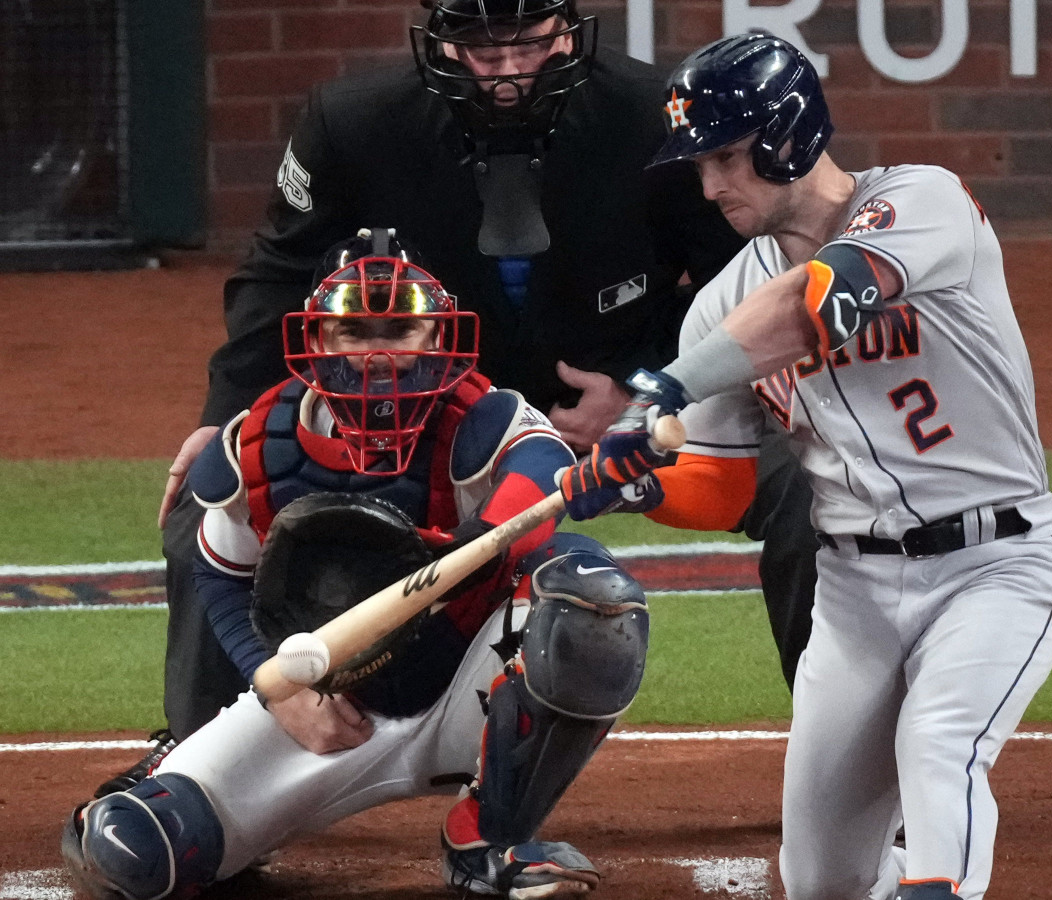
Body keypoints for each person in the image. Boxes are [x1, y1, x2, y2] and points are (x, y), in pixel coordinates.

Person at [88, 0, 754, 798]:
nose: (506, 66)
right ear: (437, 39)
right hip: (430, 414)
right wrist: (216, 421)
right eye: (479, 43)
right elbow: (276, 277)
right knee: (208, 503)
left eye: (529, 41)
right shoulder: (352, 122)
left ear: (571, 31)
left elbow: (739, 280)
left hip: (612, 406)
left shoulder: (653, 117)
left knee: (802, 486)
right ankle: (198, 754)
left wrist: (644, 382)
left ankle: (856, 770)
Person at [559, 33, 1052, 900]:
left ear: (788, 135)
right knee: (823, 880)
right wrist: (639, 487)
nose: (710, 185)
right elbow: (721, 487)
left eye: (726, 157)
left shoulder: (923, 202)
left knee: (941, 746)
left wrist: (661, 392)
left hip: (996, 568)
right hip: (852, 596)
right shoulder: (720, 306)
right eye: (699, 164)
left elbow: (814, 306)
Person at [64, 231, 649, 900]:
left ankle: (485, 836)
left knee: (590, 599)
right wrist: (278, 685)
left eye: (401, 328)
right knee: (134, 851)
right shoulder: (258, 447)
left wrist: (476, 539)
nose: (378, 350)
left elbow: (539, 477)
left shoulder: (484, 421)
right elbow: (222, 578)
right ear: (317, 339)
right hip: (330, 710)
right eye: (354, 329)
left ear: (437, 336)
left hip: (470, 685)